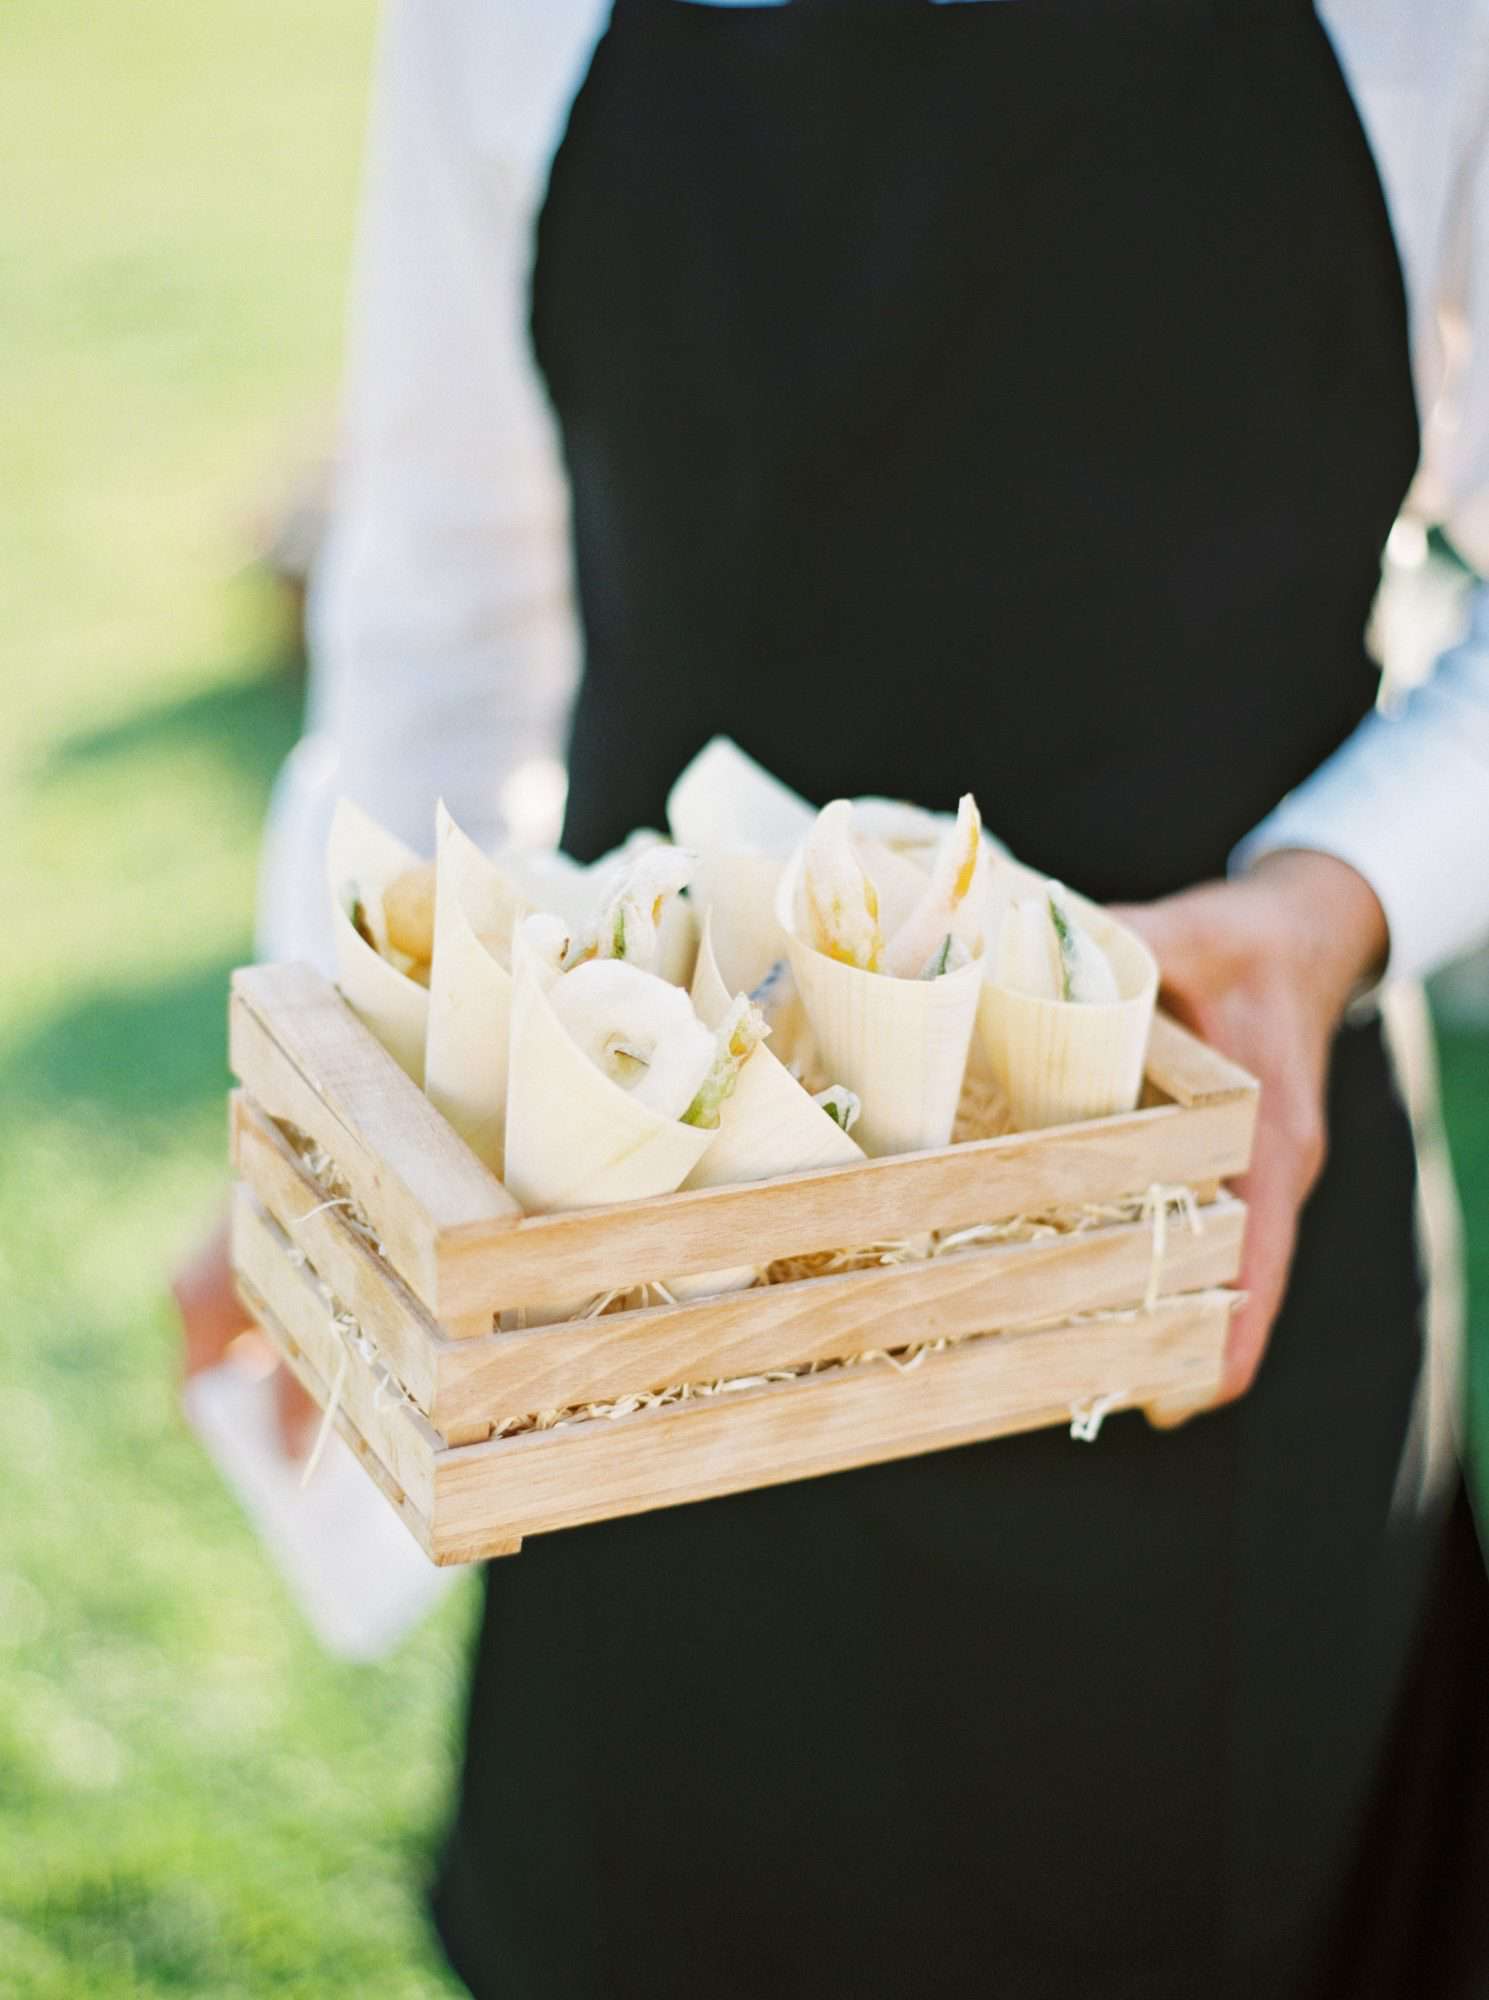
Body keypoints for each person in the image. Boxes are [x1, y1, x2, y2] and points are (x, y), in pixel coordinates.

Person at [181, 3, 1489, 1994]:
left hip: (1217, 1280)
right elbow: (439, 634)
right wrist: (341, 1134)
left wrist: (1336, 896)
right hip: (650, 1335)